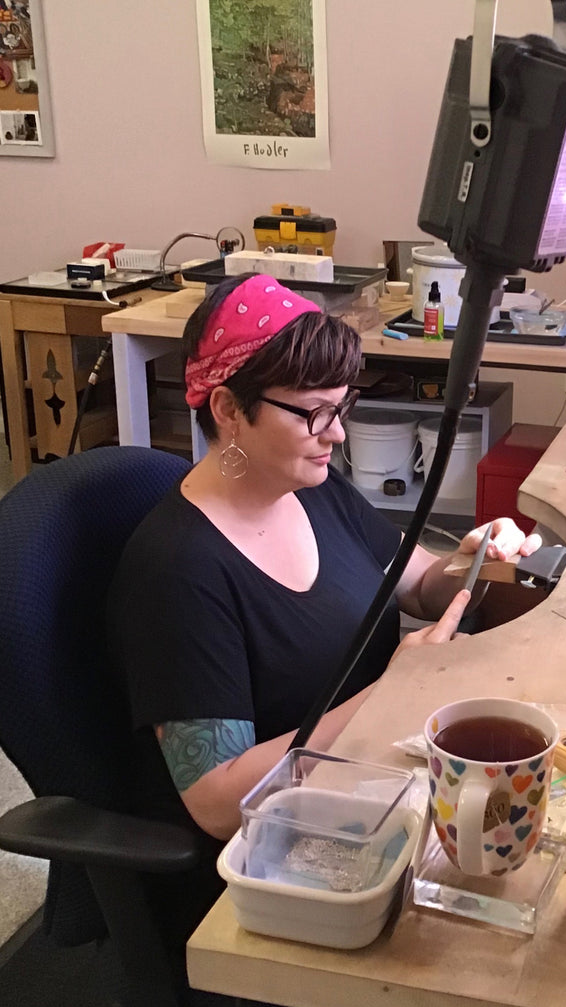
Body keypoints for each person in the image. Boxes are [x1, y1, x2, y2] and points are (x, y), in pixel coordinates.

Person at [108, 272, 540, 859]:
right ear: (229, 408)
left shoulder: (310, 487)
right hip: (277, 850)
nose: (336, 433)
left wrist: (473, 560)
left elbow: (417, 585)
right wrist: (393, 688)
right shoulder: (178, 572)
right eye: (314, 413)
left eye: (342, 407)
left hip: (370, 783)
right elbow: (217, 804)